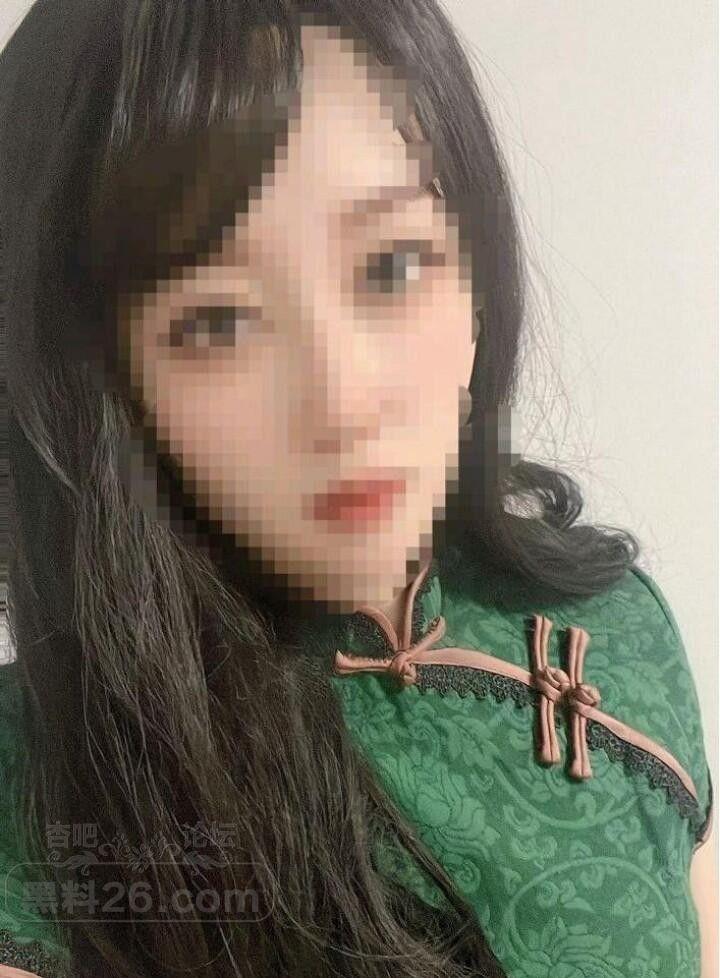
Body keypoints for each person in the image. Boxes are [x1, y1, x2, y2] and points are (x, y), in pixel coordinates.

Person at [0, 1, 713, 977]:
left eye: (392, 264)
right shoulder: (36, 796)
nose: (343, 403)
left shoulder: (614, 631)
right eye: (216, 321)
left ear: (476, 277)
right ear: (96, 386)